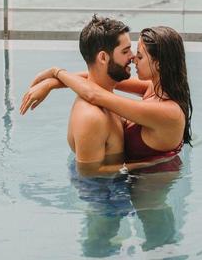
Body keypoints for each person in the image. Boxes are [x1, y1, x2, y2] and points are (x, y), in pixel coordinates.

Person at [20, 17, 192, 177]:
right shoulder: (154, 88)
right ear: (103, 57)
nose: (133, 59)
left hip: (150, 198)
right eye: (129, 52)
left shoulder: (169, 112)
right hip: (123, 187)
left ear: (158, 64)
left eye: (139, 55)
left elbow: (94, 94)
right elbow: (93, 79)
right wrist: (52, 82)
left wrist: (55, 72)